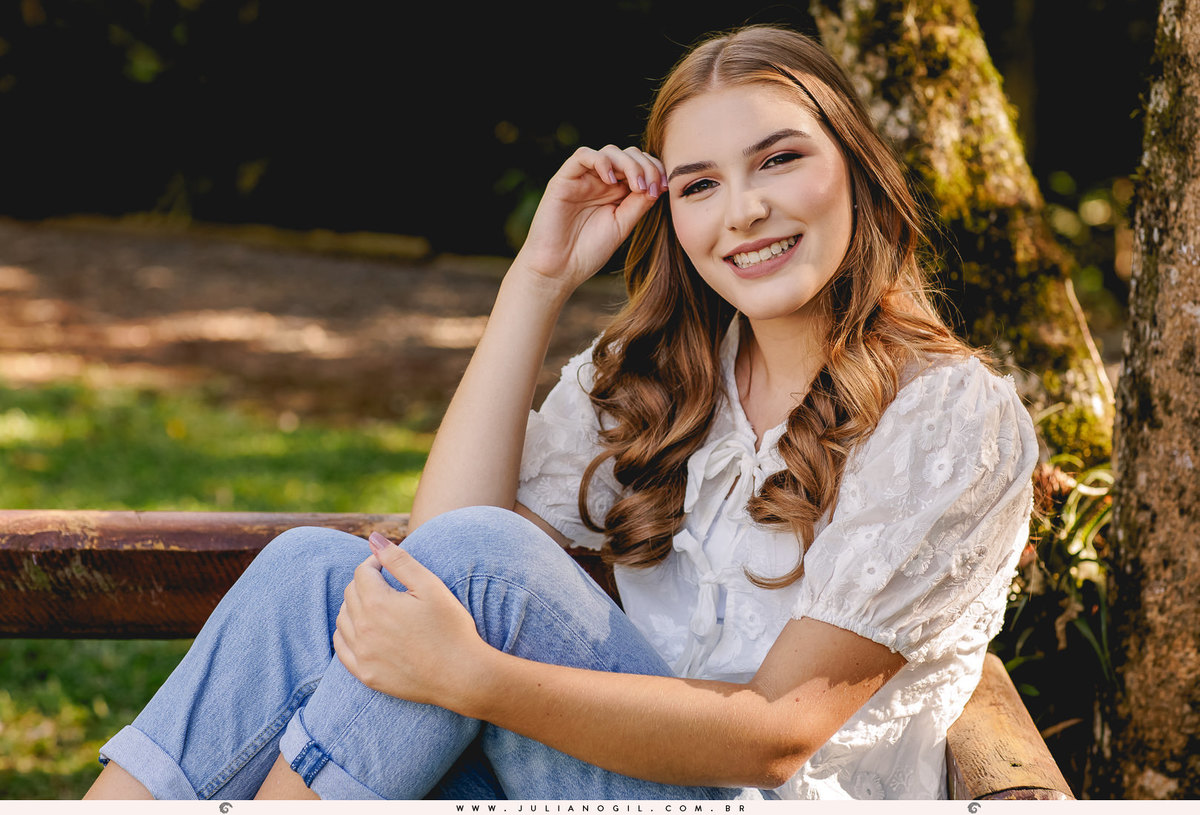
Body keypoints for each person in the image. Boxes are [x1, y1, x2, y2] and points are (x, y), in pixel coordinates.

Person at [85, 24, 1038, 801]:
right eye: (700, 184)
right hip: (593, 776)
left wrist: (475, 678)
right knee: (308, 567)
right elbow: (438, 543)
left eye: (778, 160)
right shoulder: (668, 377)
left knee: (484, 565)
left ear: (856, 168)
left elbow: (774, 739)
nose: (741, 211)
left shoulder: (949, 418)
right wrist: (536, 280)